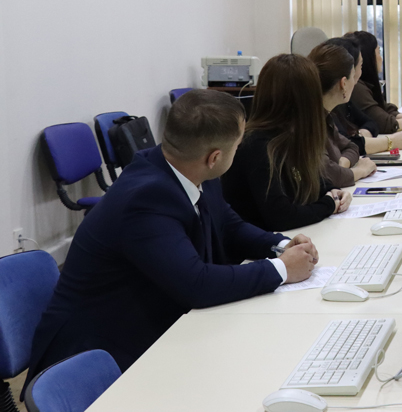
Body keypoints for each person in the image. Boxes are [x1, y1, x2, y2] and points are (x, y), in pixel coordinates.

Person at [28, 90, 318, 376]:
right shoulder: (145, 199)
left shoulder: (190, 167)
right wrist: (282, 269)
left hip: (151, 323)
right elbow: (197, 284)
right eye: (238, 144)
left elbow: (229, 226)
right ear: (214, 157)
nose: (239, 149)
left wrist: (280, 245)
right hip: (95, 354)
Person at [222, 54, 355, 231]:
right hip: (259, 250)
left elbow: (308, 178)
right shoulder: (257, 145)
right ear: (305, 101)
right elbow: (281, 217)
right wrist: (328, 205)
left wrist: (333, 191)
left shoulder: (288, 135)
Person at [308, 41, 379, 190]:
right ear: (343, 84)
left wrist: (342, 164)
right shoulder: (308, 122)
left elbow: (351, 146)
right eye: (353, 76)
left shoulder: (324, 115)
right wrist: (360, 170)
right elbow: (331, 176)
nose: (356, 82)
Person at [325, 37, 402, 155]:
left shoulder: (340, 101)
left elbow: (371, 123)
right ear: (344, 81)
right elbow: (345, 145)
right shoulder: (328, 107)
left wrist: (361, 135)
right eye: (360, 66)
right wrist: (390, 142)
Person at [346, 30, 402, 134]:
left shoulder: (365, 84)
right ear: (367, 58)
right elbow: (383, 124)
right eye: (378, 52)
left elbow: (382, 108)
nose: (381, 58)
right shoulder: (356, 87)